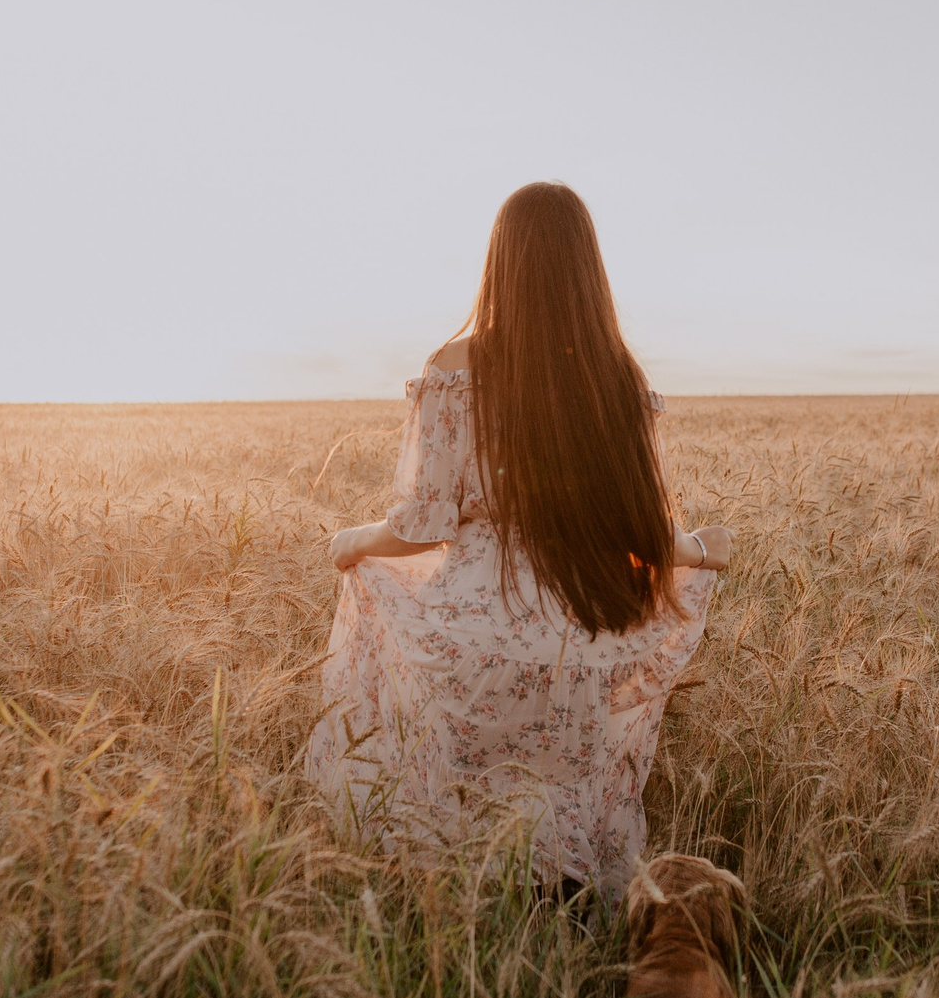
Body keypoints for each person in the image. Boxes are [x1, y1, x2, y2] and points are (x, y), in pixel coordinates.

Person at [306, 181, 732, 905]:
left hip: (474, 638)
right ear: (585, 269)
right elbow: (641, 527)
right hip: (586, 637)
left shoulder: (455, 367)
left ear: (499, 261)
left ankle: (457, 889)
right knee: (562, 777)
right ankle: (564, 891)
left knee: (445, 762)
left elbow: (424, 523)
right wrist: (698, 547)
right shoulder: (617, 380)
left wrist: (352, 539)